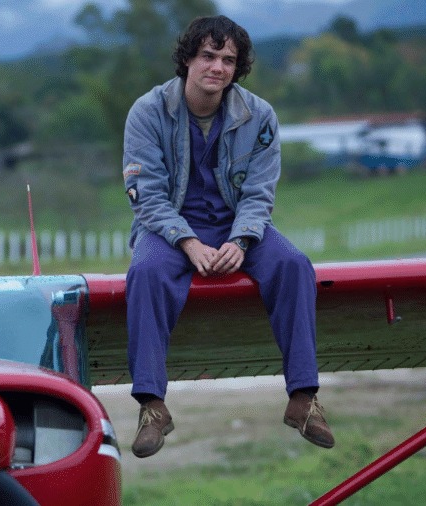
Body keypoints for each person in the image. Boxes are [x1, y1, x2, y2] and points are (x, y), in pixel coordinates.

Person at [122, 15, 335, 458]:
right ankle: (152, 406)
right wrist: (188, 242)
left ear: (238, 68)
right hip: (168, 228)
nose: (217, 67)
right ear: (188, 59)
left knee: (295, 264)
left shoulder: (260, 116)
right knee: (145, 272)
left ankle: (303, 398)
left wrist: (240, 241)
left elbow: (259, 193)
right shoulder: (147, 111)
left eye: (228, 60)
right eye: (208, 55)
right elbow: (147, 195)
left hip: (238, 224)